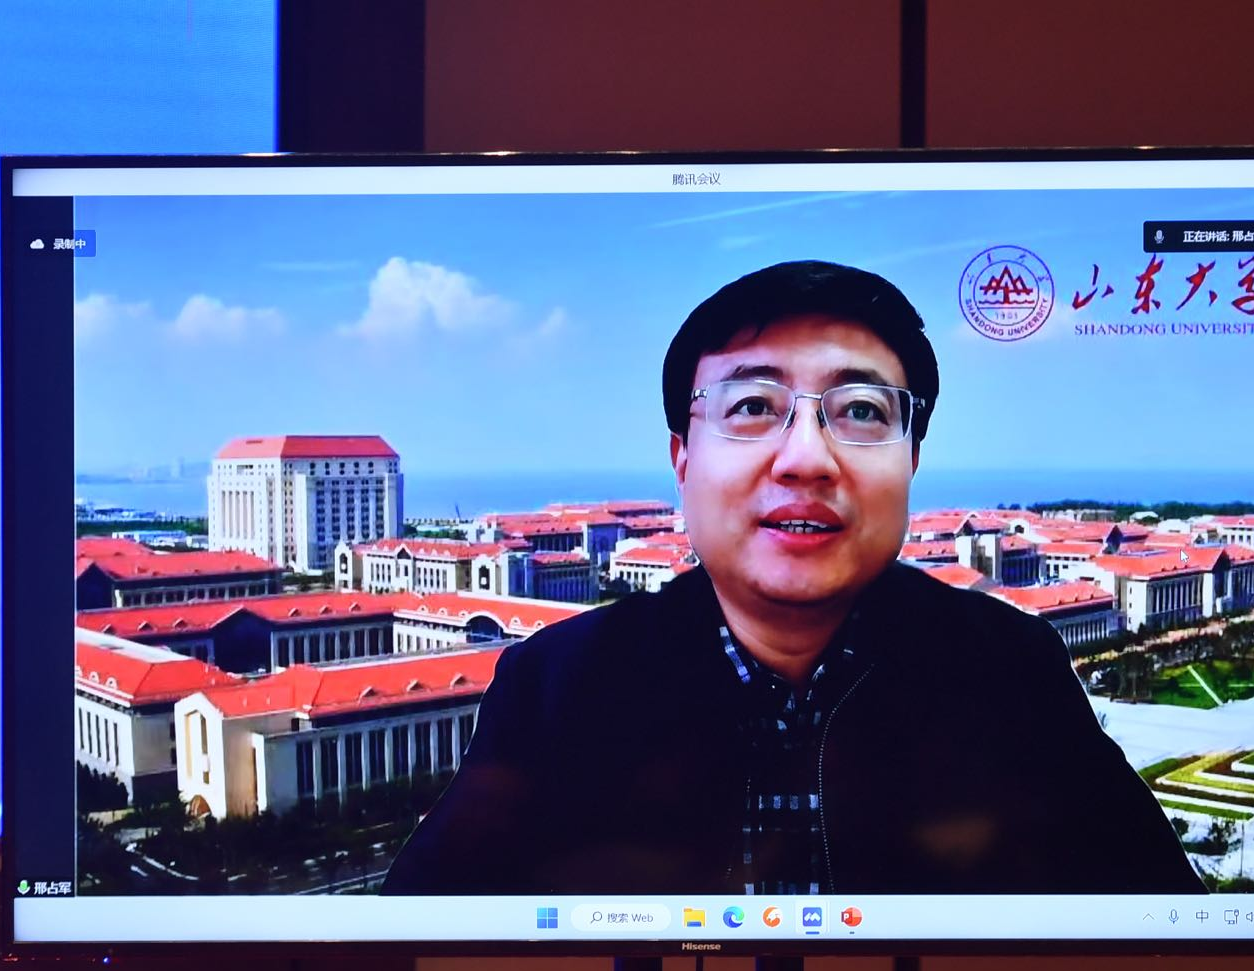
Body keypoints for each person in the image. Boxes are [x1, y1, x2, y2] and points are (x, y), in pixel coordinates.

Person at [383, 260, 1203, 896]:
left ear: (913, 461)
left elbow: (1168, 942)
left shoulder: (1011, 669)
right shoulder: (558, 686)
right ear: (681, 459)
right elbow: (418, 952)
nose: (807, 458)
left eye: (861, 412)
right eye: (752, 407)